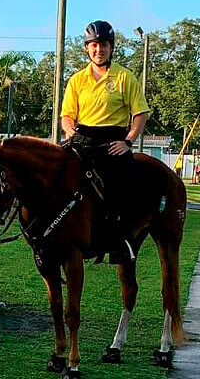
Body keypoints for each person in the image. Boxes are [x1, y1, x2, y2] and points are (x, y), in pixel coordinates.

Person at [61, 20, 150, 265]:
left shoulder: (124, 77)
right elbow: (67, 114)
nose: (98, 50)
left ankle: (122, 240)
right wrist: (68, 129)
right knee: (57, 175)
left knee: (124, 184)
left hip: (113, 141)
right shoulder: (77, 80)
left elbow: (140, 112)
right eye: (94, 45)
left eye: (103, 45)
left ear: (111, 48)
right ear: (87, 49)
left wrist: (129, 141)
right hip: (82, 139)